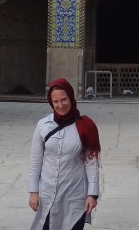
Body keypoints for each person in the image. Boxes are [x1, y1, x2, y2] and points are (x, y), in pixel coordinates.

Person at [28, 78, 101, 230]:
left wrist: (92, 194)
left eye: (64, 99)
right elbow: (35, 160)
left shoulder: (85, 126)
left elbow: (91, 162)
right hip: (48, 194)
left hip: (74, 195)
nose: (60, 105)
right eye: (56, 101)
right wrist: (33, 191)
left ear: (71, 97)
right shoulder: (43, 125)